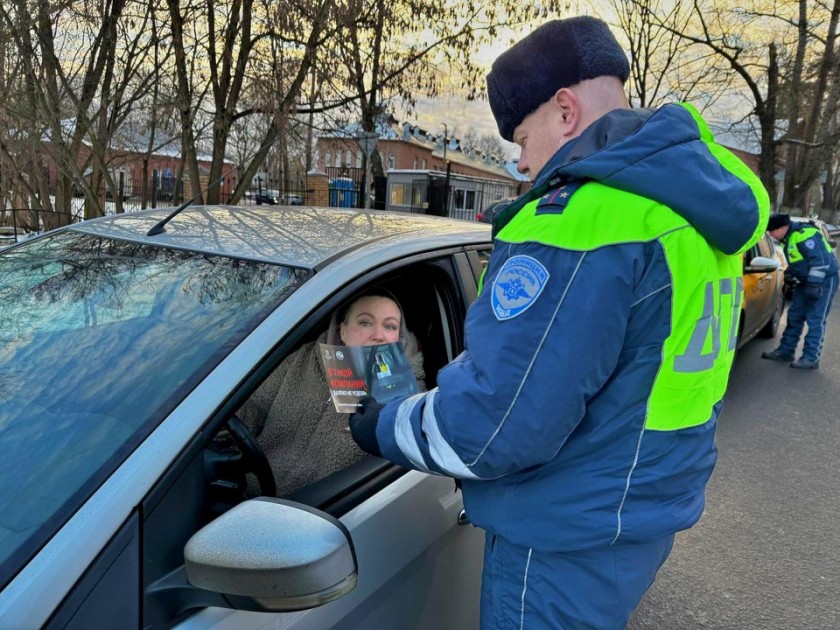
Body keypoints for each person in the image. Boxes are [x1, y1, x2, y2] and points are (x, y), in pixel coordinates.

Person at [348, 16, 768, 629]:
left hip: (559, 535)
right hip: (633, 508)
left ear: (565, 111)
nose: (522, 164)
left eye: (521, 139)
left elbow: (493, 427)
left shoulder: (583, 220)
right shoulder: (690, 206)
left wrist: (381, 424)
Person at [238, 289, 425, 496]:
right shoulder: (303, 359)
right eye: (365, 322)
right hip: (252, 494)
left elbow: (406, 459)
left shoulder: (409, 393)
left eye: (389, 326)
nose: (378, 335)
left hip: (326, 511)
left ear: (399, 337)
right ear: (343, 331)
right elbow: (254, 406)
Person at [762, 213, 838, 369]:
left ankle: (811, 358)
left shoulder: (806, 234)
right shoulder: (789, 238)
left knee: (815, 319)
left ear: (782, 228)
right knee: (795, 316)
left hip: (823, 280)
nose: (770, 234)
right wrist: (791, 273)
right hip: (807, 281)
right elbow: (799, 259)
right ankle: (786, 351)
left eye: (772, 230)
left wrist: (814, 284)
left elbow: (820, 262)